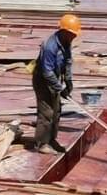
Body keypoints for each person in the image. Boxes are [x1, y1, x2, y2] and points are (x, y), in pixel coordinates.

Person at [33, 13, 80, 154]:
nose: (74, 37)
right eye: (72, 34)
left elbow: (67, 62)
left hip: (54, 77)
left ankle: (51, 140)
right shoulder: (50, 46)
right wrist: (59, 88)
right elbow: (47, 72)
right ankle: (41, 144)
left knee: (57, 111)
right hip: (42, 79)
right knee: (47, 112)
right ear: (64, 31)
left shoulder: (66, 42)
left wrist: (68, 81)